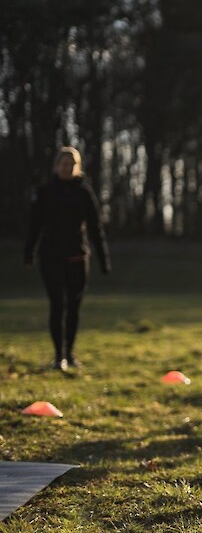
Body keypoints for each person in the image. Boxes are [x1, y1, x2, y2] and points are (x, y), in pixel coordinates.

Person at [24, 146, 111, 371]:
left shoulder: (84, 192)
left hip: (77, 256)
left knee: (73, 306)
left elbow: (95, 227)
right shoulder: (45, 192)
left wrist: (103, 259)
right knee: (57, 304)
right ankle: (58, 356)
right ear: (56, 166)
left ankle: (69, 353)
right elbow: (35, 225)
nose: (67, 167)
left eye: (71, 164)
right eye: (63, 163)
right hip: (50, 256)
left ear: (77, 167)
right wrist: (28, 253)